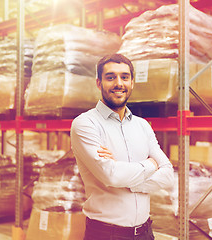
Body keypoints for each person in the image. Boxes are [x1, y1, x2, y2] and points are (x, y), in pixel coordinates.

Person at [70, 53, 174, 240]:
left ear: (132, 82)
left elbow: (167, 175)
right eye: (111, 77)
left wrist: (128, 182)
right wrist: (150, 165)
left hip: (145, 233)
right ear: (99, 83)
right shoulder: (86, 124)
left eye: (124, 77)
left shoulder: (142, 125)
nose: (119, 83)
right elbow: (110, 175)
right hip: (106, 234)